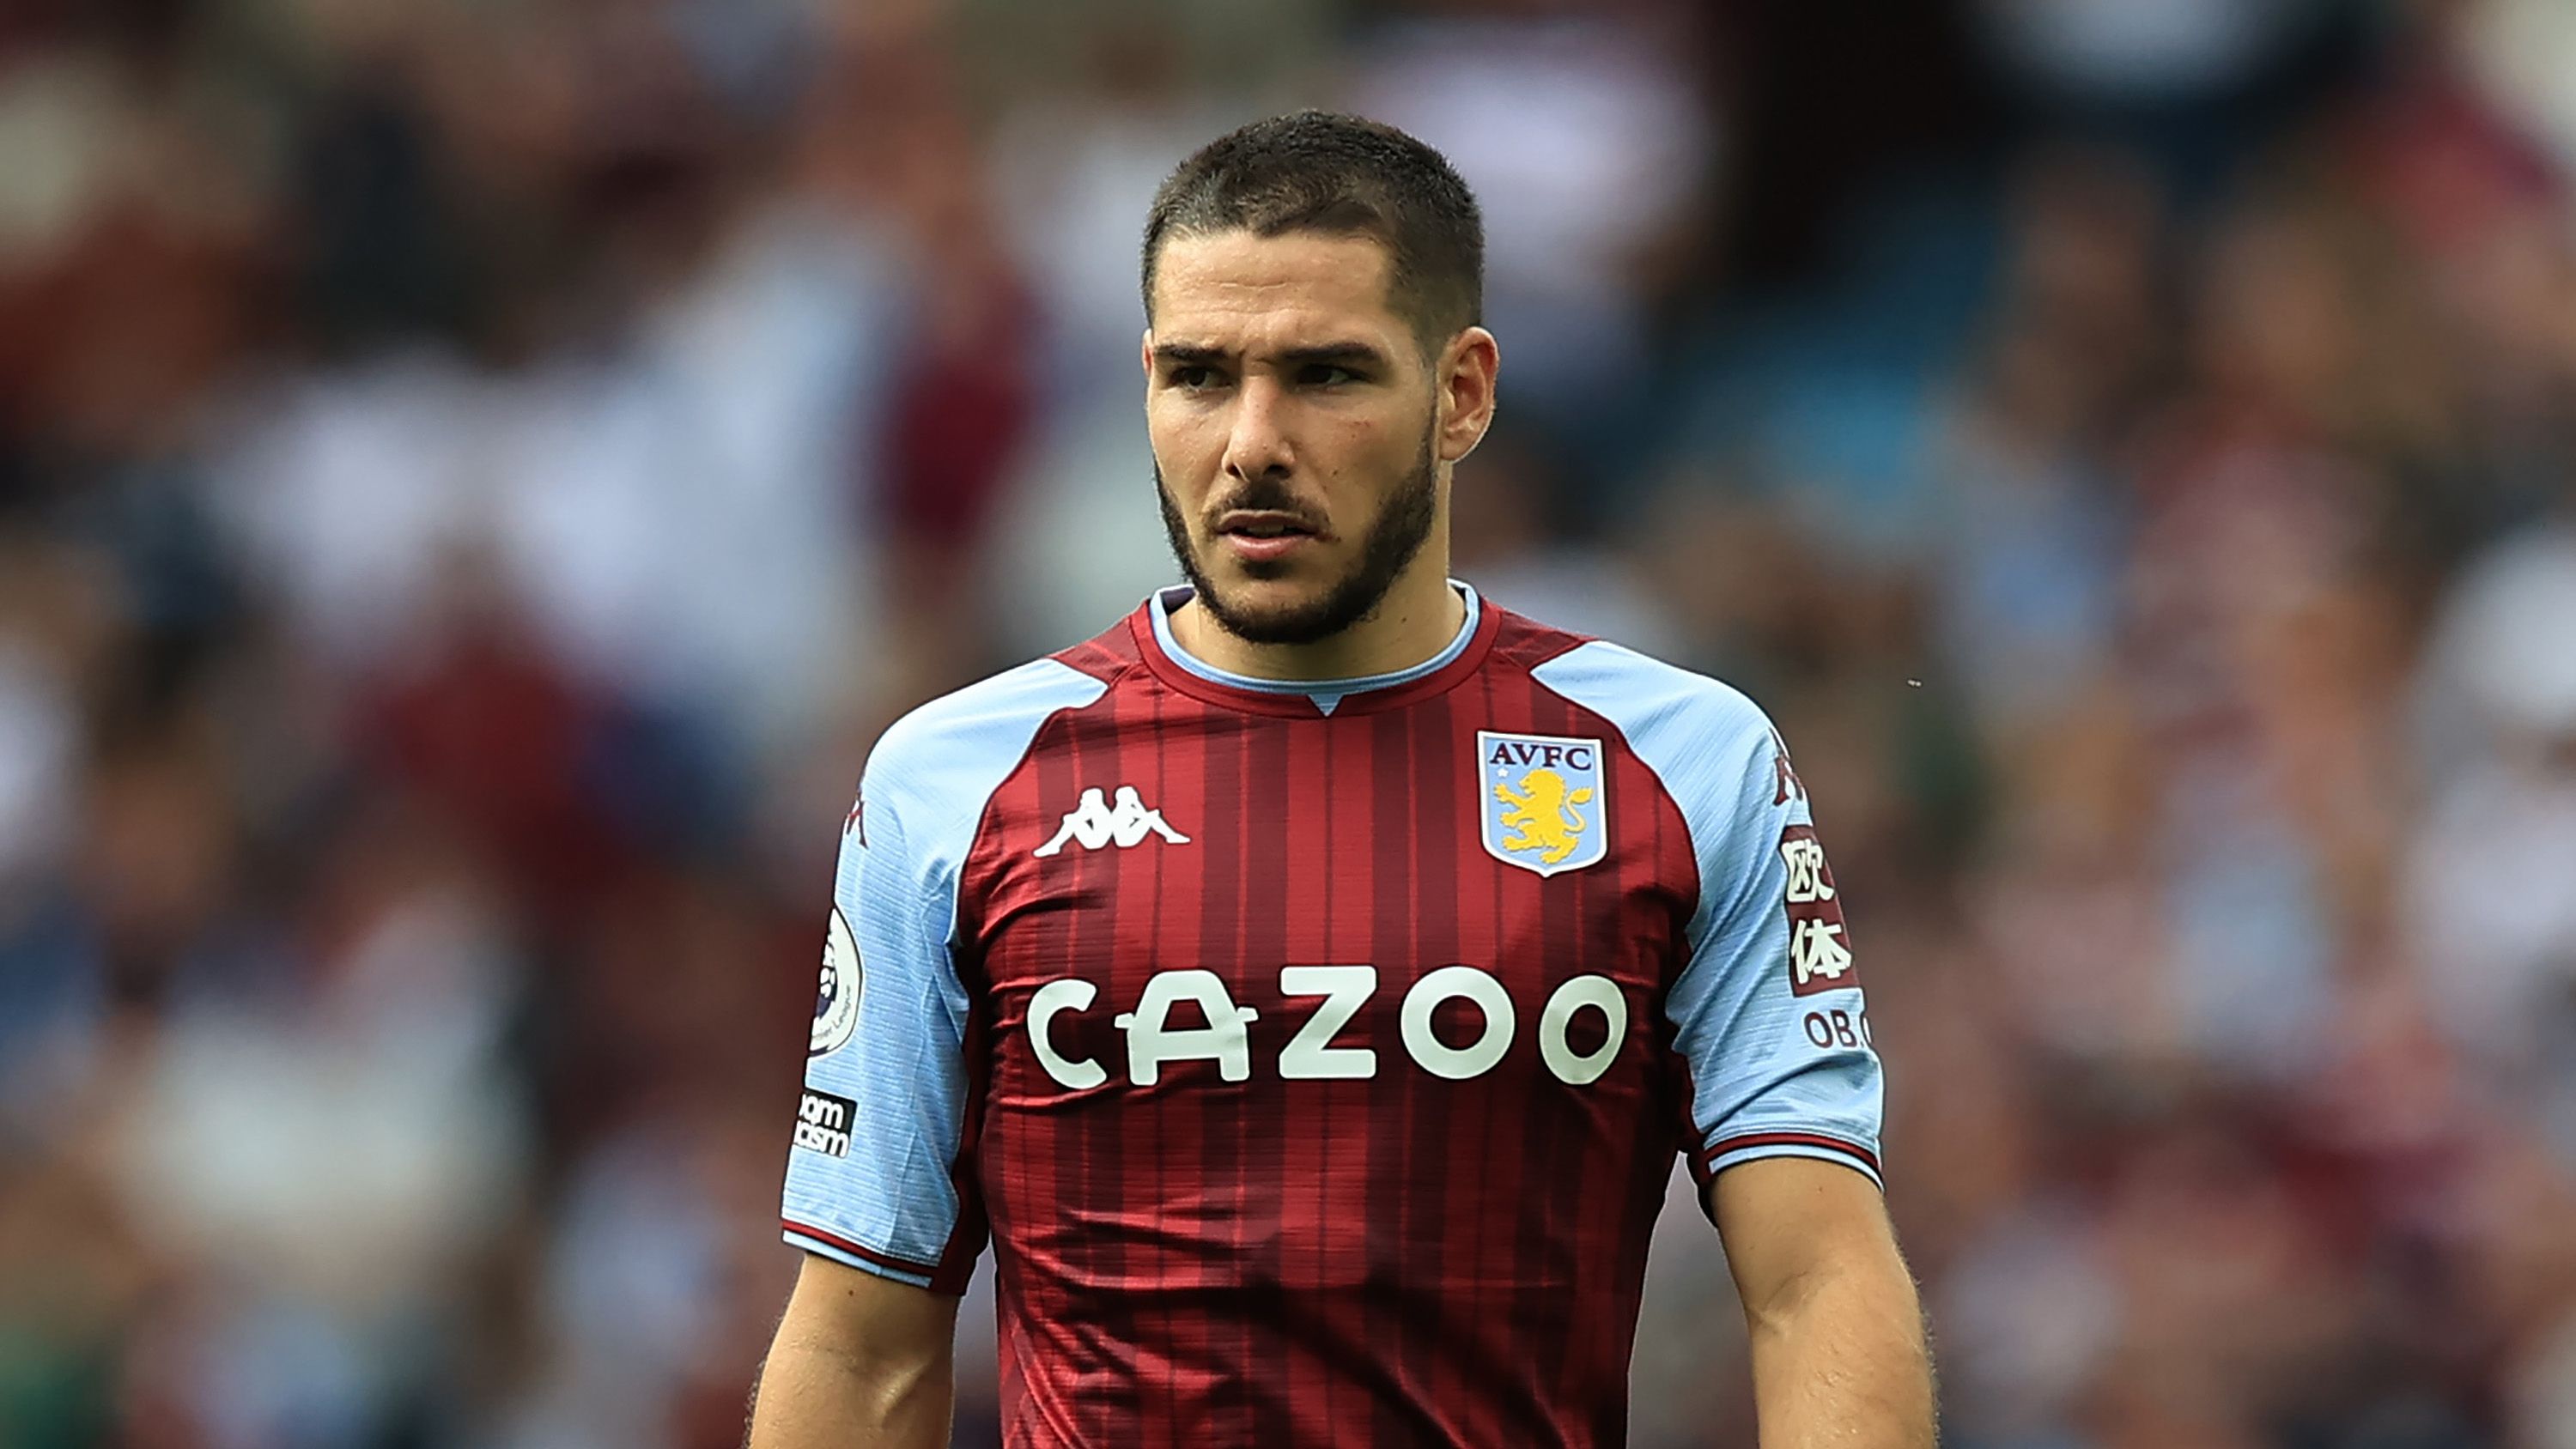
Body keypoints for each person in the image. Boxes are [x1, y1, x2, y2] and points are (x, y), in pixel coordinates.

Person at [744, 111, 1933, 1448]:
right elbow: (861, 1347)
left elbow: (1818, 1276)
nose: (1253, 439)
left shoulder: (1683, 763)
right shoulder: (954, 781)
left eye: (1325, 375)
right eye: (1199, 375)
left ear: (1463, 395)